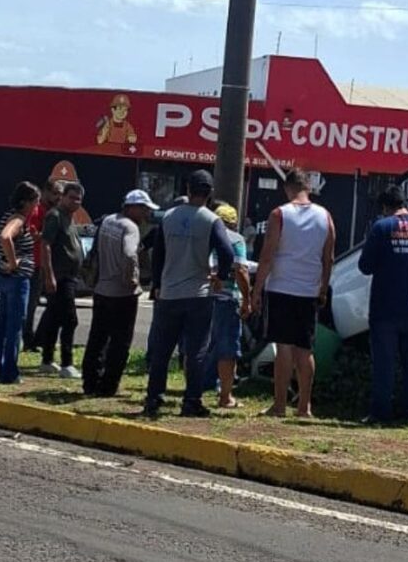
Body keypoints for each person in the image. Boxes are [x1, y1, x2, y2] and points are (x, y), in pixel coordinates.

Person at [143, 170, 235, 418]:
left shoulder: (169, 217)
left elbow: (158, 254)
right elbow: (227, 253)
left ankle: (153, 398)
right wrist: (221, 276)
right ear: (210, 193)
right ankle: (191, 401)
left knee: (162, 350)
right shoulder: (211, 220)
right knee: (196, 351)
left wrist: (157, 285)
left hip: (169, 292)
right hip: (198, 293)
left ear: (187, 189)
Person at [251, 168, 335, 418]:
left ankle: (279, 405)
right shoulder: (325, 216)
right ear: (308, 187)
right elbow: (328, 257)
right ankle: (304, 406)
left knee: (283, 347)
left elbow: (267, 256)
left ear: (287, 188)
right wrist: (323, 287)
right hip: (309, 291)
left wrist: (256, 291)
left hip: (282, 288)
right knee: (305, 349)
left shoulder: (280, 214)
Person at [358, 184, 408, 426]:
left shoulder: (382, 227)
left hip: (386, 308)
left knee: (384, 363)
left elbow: (365, 267)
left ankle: (380, 414)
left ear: (385, 207)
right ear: (405, 203)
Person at [81, 189, 159, 396]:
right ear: (131, 207)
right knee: (120, 342)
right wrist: (132, 278)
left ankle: (90, 382)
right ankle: (108, 386)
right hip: (122, 293)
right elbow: (129, 252)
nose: (145, 214)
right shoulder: (130, 227)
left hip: (101, 289)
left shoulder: (108, 221)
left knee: (97, 337)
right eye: (143, 209)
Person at [0, 181, 40, 384]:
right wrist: (13, 262)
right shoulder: (17, 220)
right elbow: (5, 237)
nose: (36, 207)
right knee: (14, 326)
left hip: (5, 277)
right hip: (17, 279)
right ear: (26, 202)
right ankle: (9, 372)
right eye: (35, 202)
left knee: (3, 322)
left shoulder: (11, 217)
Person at [203, 202, 251, 408]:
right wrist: (248, 299)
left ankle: (194, 389)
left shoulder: (204, 236)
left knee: (199, 345)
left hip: (202, 296)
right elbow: (240, 270)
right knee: (227, 349)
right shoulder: (236, 239)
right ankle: (225, 397)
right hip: (227, 298)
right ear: (233, 223)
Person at [38, 181, 86, 379]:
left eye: (78, 199)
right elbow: (45, 245)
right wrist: (49, 275)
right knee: (70, 319)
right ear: (63, 197)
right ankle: (67, 363)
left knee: (54, 318)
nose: (75, 202)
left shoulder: (70, 218)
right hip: (59, 277)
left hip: (71, 277)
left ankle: (47, 360)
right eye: (71, 197)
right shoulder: (55, 216)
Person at [23, 179, 63, 352]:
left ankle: (39, 338)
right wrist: (46, 236)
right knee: (30, 305)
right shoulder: (37, 210)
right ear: (45, 192)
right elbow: (31, 233)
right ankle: (28, 340)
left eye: (60, 195)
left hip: (47, 264)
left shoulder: (55, 212)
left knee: (54, 304)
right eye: (55, 194)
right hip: (34, 263)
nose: (57, 198)